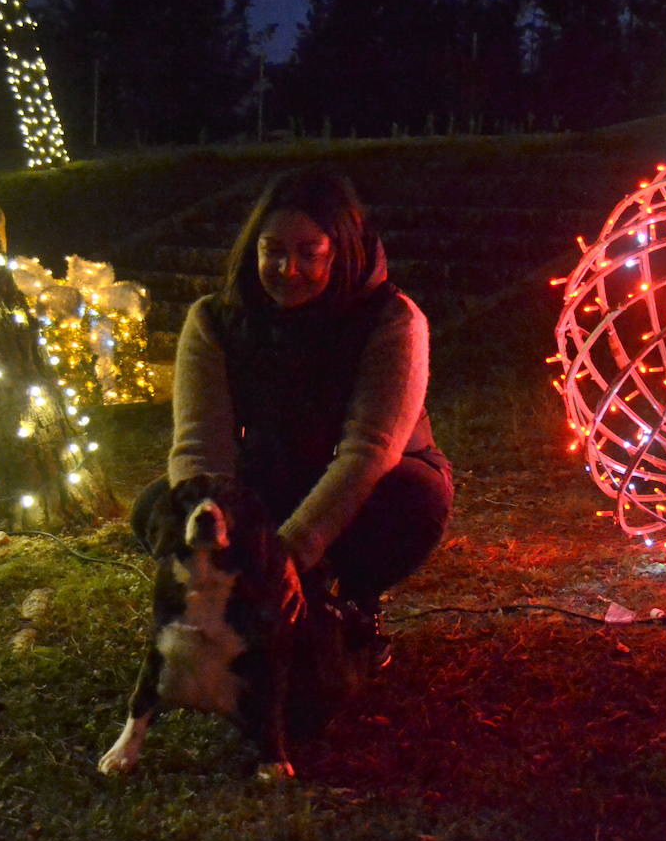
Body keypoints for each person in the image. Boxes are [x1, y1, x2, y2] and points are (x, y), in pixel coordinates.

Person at [133, 167, 453, 666]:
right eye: (274, 251)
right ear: (253, 249)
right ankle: (234, 611)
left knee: (415, 497)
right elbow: (200, 444)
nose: (288, 269)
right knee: (159, 505)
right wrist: (216, 546)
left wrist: (288, 556)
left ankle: (351, 604)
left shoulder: (392, 320)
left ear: (339, 251)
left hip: (371, 484)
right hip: (272, 468)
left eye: (309, 253)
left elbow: (369, 450)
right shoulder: (214, 320)